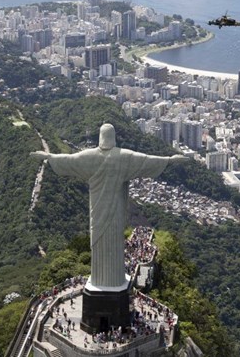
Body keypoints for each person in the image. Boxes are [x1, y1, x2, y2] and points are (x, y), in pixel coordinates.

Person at [31, 123, 187, 291]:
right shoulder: (123, 157)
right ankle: (114, 280)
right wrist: (169, 160)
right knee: (114, 243)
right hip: (115, 213)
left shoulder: (89, 157)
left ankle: (100, 280)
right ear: (113, 136)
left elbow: (68, 160)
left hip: (96, 212)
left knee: (98, 244)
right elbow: (146, 160)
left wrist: (48, 156)